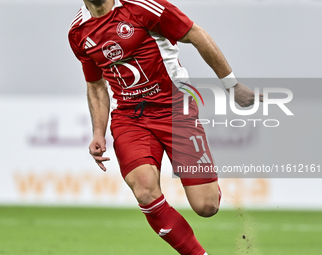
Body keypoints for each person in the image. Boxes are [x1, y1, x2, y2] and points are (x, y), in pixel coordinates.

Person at [68, 0, 261, 254]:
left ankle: (206, 184)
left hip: (175, 109)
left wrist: (232, 85)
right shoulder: (78, 32)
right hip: (130, 117)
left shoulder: (142, 7)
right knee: (144, 188)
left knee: (206, 206)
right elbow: (95, 85)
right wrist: (97, 132)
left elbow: (196, 34)